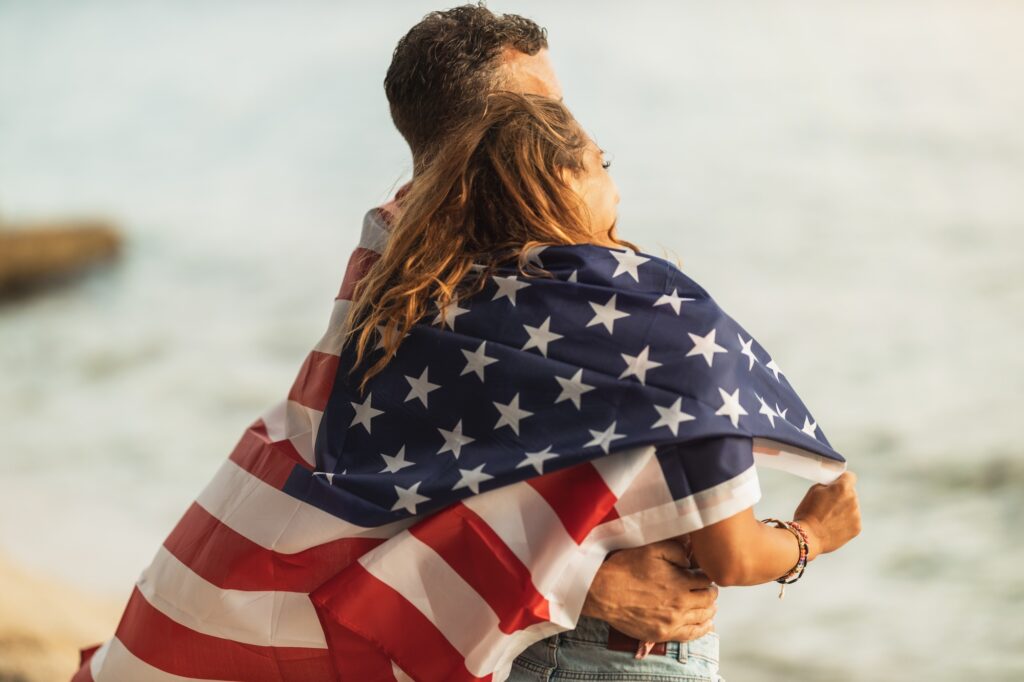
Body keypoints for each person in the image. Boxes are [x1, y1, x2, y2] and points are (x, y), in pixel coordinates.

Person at [378, 3, 721, 646]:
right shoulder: (405, 267)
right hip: (553, 634)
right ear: (477, 131)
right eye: (540, 109)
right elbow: (377, 495)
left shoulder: (553, 258)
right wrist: (590, 582)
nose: (563, 127)